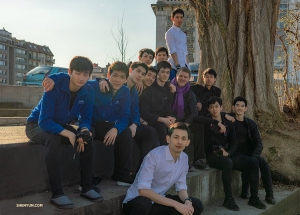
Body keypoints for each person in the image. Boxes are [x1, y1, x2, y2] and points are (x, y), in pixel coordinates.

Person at [25, 56, 103, 209]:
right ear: (70, 72)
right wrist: (69, 134)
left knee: (86, 137)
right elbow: (44, 121)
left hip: (58, 125)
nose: (81, 78)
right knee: (53, 139)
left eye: (86, 74)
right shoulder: (54, 84)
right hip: (36, 124)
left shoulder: (88, 90)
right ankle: (57, 192)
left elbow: (85, 117)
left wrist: (83, 129)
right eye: (78, 73)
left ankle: (86, 186)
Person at [44, 61, 134, 187]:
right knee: (87, 135)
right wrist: (52, 78)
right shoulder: (95, 86)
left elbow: (125, 116)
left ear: (126, 79)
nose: (118, 80)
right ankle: (86, 178)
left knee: (125, 132)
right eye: (115, 75)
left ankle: (123, 176)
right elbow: (76, 79)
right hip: (85, 122)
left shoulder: (125, 92)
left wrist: (116, 129)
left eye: (122, 77)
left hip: (100, 123)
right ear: (108, 75)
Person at [194, 96, 266, 211]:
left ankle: (254, 197)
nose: (214, 109)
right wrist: (216, 122)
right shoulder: (207, 122)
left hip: (228, 154)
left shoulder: (229, 123)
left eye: (217, 106)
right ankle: (228, 198)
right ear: (208, 109)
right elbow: (195, 119)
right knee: (227, 163)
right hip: (212, 156)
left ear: (221, 108)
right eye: (211, 107)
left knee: (253, 162)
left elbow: (234, 143)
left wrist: (228, 153)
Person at [123, 122, 204, 215]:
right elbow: (143, 190)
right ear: (168, 139)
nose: (180, 142)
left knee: (196, 205)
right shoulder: (154, 156)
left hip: (159, 201)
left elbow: (181, 186)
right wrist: (176, 205)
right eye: (176, 137)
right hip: (136, 201)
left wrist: (187, 200)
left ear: (188, 142)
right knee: (144, 204)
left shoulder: (184, 158)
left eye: (183, 138)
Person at [98, 61, 160, 170]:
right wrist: (101, 80)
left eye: (143, 74)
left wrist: (135, 124)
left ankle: (143, 169)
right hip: (113, 123)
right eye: (138, 71)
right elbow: (101, 81)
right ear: (130, 71)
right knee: (127, 133)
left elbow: (135, 111)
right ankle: (125, 172)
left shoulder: (134, 91)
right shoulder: (119, 84)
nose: (140, 75)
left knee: (150, 131)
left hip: (125, 122)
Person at [231, 96, 276, 204]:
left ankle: (269, 194)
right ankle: (252, 196)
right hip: (234, 154)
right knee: (252, 162)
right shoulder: (229, 121)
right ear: (233, 107)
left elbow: (259, 143)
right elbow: (218, 114)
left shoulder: (251, 124)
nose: (239, 108)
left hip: (248, 153)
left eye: (242, 106)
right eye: (237, 105)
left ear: (246, 108)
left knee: (263, 163)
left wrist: (254, 156)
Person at [190, 68, 221, 170]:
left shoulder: (217, 91)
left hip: (210, 116)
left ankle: (210, 155)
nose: (209, 79)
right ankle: (200, 159)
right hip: (198, 116)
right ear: (203, 78)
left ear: (215, 79)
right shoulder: (196, 88)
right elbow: (191, 95)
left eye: (211, 77)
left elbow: (217, 105)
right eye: (206, 77)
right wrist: (198, 101)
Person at [139, 61, 175, 145]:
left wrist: (171, 118)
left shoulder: (169, 89)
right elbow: (144, 112)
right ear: (158, 73)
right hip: (150, 120)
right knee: (161, 126)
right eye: (162, 72)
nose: (165, 75)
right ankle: (163, 152)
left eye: (167, 72)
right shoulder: (149, 88)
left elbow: (168, 109)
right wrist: (163, 120)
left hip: (163, 120)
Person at [171, 67, 198, 172]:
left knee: (188, 133)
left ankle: (188, 163)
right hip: (170, 119)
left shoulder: (190, 93)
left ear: (189, 79)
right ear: (176, 76)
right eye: (181, 76)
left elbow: (194, 112)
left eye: (185, 77)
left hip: (184, 120)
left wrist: (186, 123)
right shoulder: (169, 88)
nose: (182, 78)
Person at [165, 8, 190, 81]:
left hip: (184, 66)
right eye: (177, 17)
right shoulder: (170, 33)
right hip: (174, 67)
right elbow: (172, 50)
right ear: (172, 18)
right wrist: (177, 66)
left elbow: (185, 51)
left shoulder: (183, 35)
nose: (179, 19)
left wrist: (188, 65)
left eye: (181, 17)